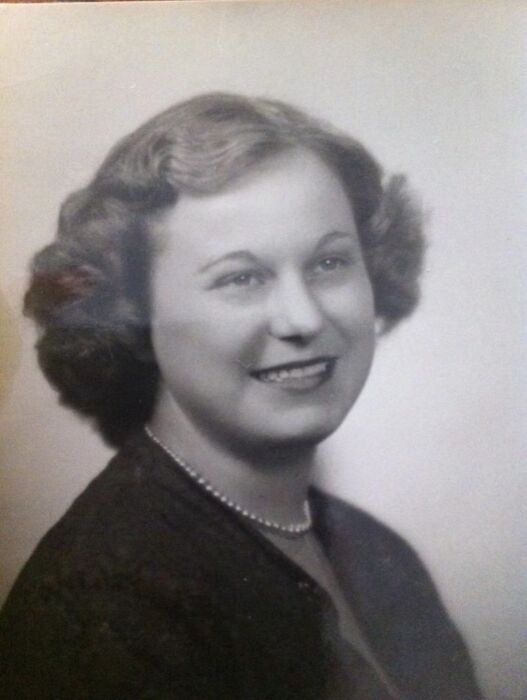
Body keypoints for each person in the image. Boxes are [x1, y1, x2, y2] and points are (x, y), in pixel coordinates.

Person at [0, 93, 482, 699]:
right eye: (242, 278)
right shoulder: (102, 605)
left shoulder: (378, 554)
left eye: (329, 262)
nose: (302, 318)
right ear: (131, 318)